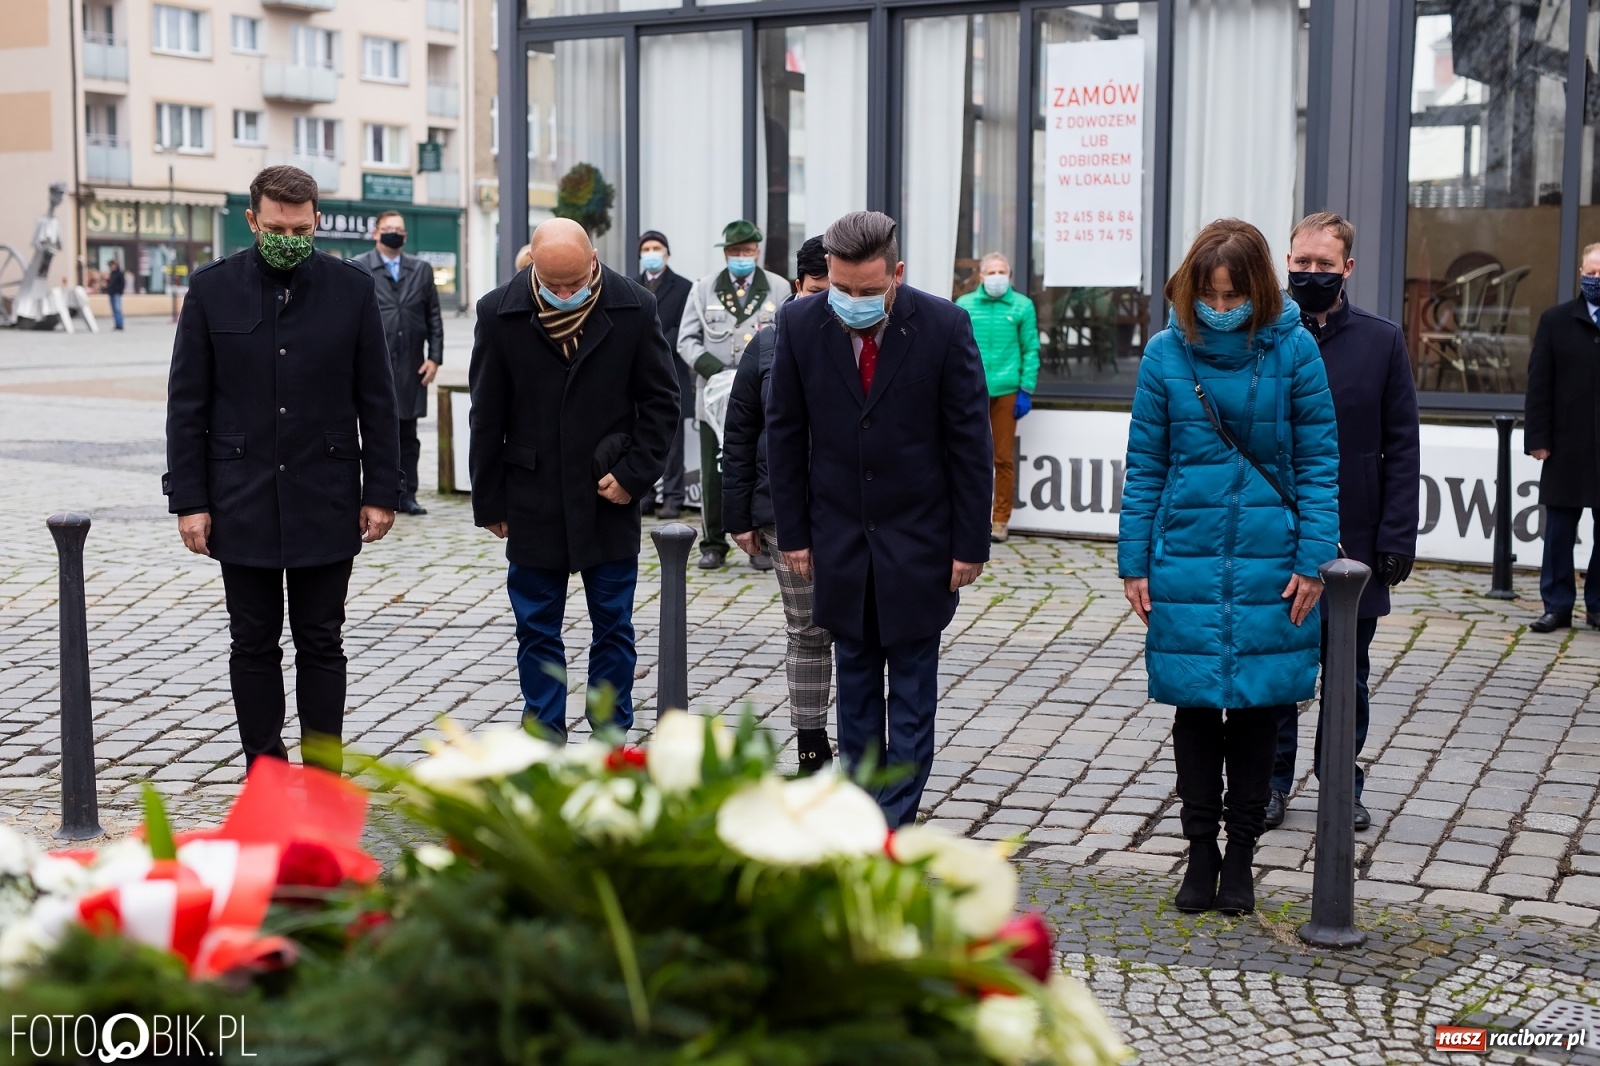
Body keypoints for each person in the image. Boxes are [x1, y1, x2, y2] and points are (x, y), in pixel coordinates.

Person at [1118, 218, 1339, 916]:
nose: (1220, 308)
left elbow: (1319, 463)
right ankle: (1200, 852)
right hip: (1184, 551)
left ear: (1258, 290)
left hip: (1272, 556)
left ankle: (1240, 855)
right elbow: (1146, 465)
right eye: (1209, 295)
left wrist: (1314, 560)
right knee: (1192, 708)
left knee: (1257, 710)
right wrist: (1134, 562)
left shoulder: (1295, 350)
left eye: (1232, 295)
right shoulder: (1165, 354)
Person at [164, 164, 401, 772]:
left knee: (322, 640)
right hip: (239, 496)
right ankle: (264, 772)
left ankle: (323, 777)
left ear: (317, 220)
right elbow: (186, 404)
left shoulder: (350, 290)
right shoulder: (212, 289)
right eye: (277, 228)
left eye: (301, 229)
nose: (289, 239)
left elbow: (378, 399)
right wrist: (189, 500)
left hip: (326, 493)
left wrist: (382, 491)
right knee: (252, 642)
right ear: (252, 220)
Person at [767, 211, 992, 827]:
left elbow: (969, 443)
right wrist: (794, 535)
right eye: (841, 288)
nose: (852, 301)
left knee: (913, 690)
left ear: (897, 274)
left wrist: (969, 544)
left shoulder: (944, 326)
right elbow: (784, 434)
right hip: (838, 538)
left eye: (867, 290)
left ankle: (893, 818)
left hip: (920, 540)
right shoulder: (798, 323)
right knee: (856, 684)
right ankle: (862, 811)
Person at [468, 218, 680, 742]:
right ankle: (544, 736)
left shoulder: (635, 306)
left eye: (575, 283)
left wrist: (633, 475)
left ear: (594, 261)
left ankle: (610, 736)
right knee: (536, 627)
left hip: (607, 493)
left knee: (614, 625)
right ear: (532, 268)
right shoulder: (497, 312)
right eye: (553, 285)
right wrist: (489, 500)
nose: (565, 295)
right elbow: (486, 413)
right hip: (532, 494)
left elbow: (661, 402)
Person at [1266, 213, 1420, 834]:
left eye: (1324, 264)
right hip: (1278, 532)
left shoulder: (1382, 342)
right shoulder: (1265, 335)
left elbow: (1402, 445)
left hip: (1355, 535)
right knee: (1279, 669)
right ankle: (1270, 782)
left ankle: (1339, 784)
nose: (1311, 273)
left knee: (1347, 676)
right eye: (1302, 262)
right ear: (1287, 263)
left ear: (1347, 268)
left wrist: (1396, 537)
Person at [724, 235, 836, 774]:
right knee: (808, 630)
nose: (829, 302)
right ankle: (812, 748)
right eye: (818, 291)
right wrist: (738, 517)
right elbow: (739, 433)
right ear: (798, 285)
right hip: (782, 513)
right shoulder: (767, 344)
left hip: (849, 510)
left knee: (860, 635)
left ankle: (865, 744)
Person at [677, 220, 793, 569]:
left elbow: (785, 333)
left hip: (760, 392)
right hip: (714, 393)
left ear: (757, 251)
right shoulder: (703, 288)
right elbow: (686, 339)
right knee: (714, 471)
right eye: (735, 251)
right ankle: (713, 543)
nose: (741, 256)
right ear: (726, 253)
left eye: (747, 250)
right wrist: (715, 370)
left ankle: (761, 544)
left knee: (760, 466)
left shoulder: (778, 286)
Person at [1525, 242, 1600, 633]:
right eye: (1591, 272)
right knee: (1558, 532)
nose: (1596, 279)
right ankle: (1557, 606)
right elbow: (1539, 384)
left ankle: (1598, 606)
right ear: (1581, 274)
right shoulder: (1555, 321)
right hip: (1565, 446)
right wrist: (1537, 438)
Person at [355, 210, 443, 517]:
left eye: (400, 229)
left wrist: (435, 358)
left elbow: (434, 316)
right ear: (375, 232)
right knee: (373, 433)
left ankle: (408, 495)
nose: (395, 233)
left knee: (408, 435)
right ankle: (373, 493)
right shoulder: (359, 267)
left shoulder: (421, 269)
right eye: (389, 228)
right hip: (371, 365)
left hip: (411, 366)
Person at [956, 253, 1039, 543]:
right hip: (970, 390)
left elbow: (1031, 349)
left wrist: (1026, 389)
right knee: (966, 456)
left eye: (1001, 271)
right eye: (991, 272)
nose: (996, 277)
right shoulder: (965, 304)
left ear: (1010, 275)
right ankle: (967, 517)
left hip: (1006, 391)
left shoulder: (1022, 306)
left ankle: (1000, 519)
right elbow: (956, 348)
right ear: (980, 276)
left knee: (1002, 458)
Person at [637, 229, 693, 519]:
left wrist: (652, 345)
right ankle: (644, 495)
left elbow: (683, 328)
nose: (651, 253)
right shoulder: (630, 285)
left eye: (656, 248)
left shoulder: (684, 287)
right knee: (639, 437)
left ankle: (673, 497)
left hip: (672, 373)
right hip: (638, 375)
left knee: (673, 442)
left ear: (667, 253)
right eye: (646, 249)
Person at [106, 258, 126, 330]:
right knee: (114, 309)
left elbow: (122, 284)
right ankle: (117, 324)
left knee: (117, 309)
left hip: (116, 293)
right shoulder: (112, 274)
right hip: (111, 293)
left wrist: (119, 291)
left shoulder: (119, 273)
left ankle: (120, 324)